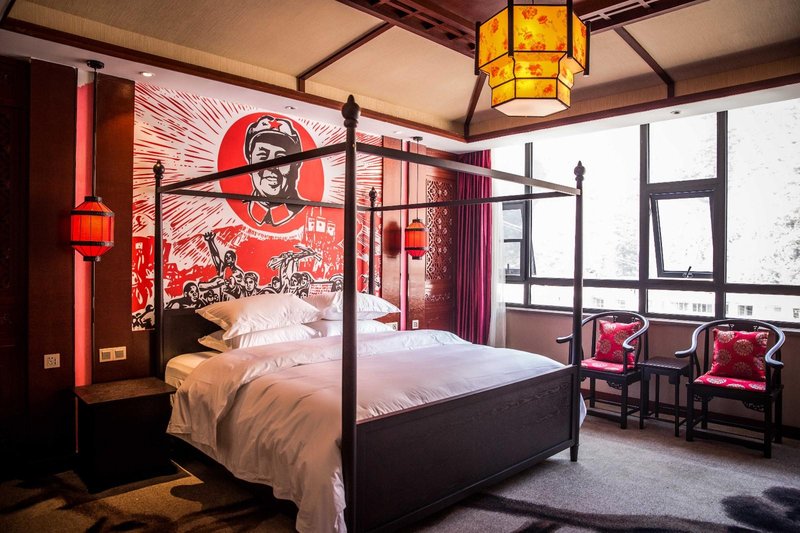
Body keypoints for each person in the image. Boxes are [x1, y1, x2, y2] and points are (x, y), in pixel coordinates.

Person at [243, 115, 305, 227]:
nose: (272, 167)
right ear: (250, 163)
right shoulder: (237, 209)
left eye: (281, 159)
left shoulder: (310, 213)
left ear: (295, 166)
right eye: (262, 157)